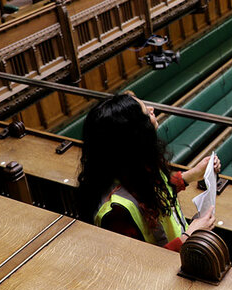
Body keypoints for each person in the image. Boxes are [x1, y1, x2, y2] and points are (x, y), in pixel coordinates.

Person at [77, 93, 219, 251]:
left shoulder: (131, 165)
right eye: (146, 112)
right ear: (135, 133)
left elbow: (151, 190)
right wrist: (190, 235)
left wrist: (191, 175)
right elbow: (140, 266)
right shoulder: (116, 212)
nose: (152, 108)